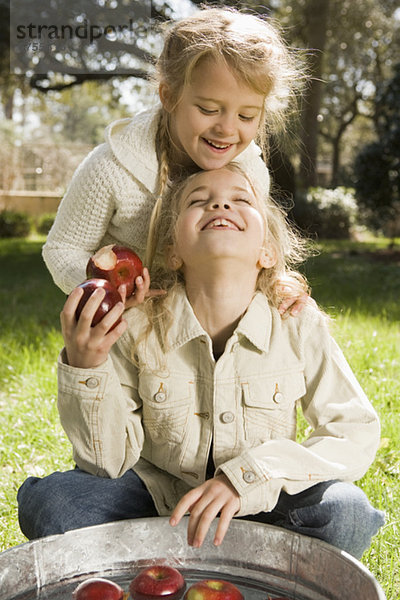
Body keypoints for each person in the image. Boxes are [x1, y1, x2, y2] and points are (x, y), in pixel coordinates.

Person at [18, 165, 385, 559]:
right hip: (158, 505)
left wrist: (248, 477)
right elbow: (106, 463)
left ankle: (197, 557)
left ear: (268, 251)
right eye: (198, 200)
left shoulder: (296, 323)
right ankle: (188, 557)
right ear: (173, 251)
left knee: (346, 513)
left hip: (261, 505)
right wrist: (86, 365)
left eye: (241, 199)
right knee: (55, 502)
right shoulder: (137, 325)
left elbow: (354, 430)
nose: (220, 203)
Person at [41, 6, 306, 315]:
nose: (227, 129)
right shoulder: (111, 169)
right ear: (168, 96)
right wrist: (108, 293)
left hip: (207, 325)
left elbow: (257, 251)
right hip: (128, 327)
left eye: (247, 115)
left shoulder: (250, 175)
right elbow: (63, 249)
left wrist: (280, 283)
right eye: (208, 109)